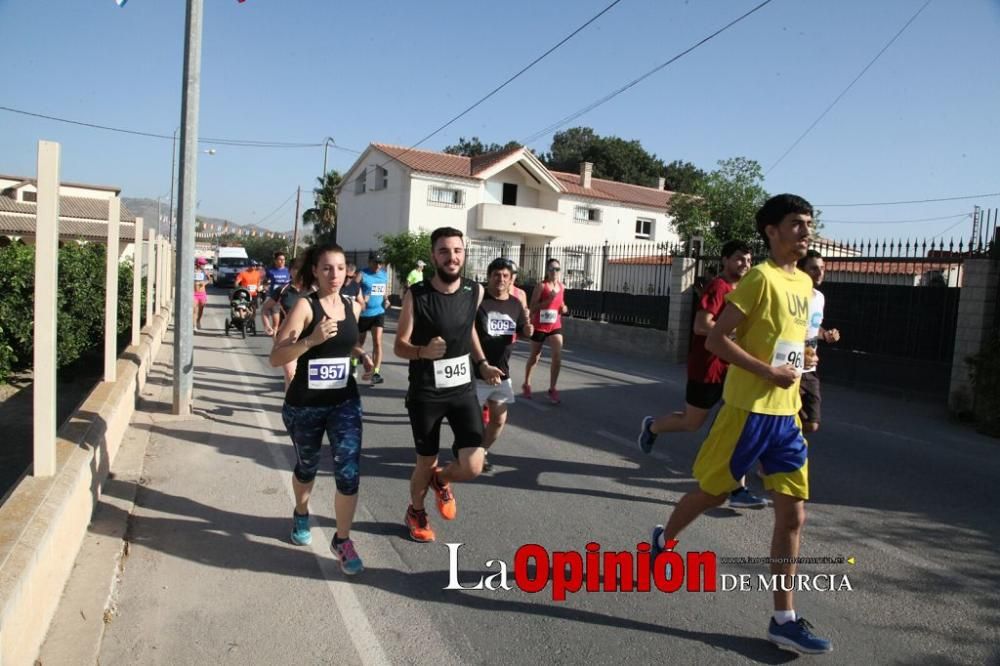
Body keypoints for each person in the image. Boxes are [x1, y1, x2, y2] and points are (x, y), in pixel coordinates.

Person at [648, 194, 831, 655]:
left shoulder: (806, 287)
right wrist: (768, 372)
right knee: (712, 493)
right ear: (771, 231)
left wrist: (803, 358)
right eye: (796, 224)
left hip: (784, 417)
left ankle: (783, 618)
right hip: (746, 413)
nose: (805, 232)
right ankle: (664, 537)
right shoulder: (758, 280)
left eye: (808, 224)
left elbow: (788, 344)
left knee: (793, 513)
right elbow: (717, 340)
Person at [269, 242, 374, 575]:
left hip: (344, 402)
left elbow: (344, 344)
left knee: (349, 472)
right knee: (307, 468)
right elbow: (276, 357)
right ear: (315, 270)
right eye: (327, 268)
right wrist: (310, 341)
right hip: (306, 406)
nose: (335, 274)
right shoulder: (304, 306)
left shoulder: (351, 306)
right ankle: (301, 512)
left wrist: (361, 354)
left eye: (341, 268)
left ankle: (342, 540)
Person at [637, 240, 767, 509]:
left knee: (737, 426)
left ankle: (737, 489)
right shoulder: (718, 287)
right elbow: (700, 325)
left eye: (748, 260)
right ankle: (652, 426)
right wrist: (731, 332)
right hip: (707, 367)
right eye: (739, 259)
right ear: (725, 260)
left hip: (734, 368)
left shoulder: (745, 289)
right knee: (692, 422)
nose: (745, 264)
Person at [393, 227, 502, 542]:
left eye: (457, 250)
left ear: (463, 254)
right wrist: (422, 352)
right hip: (426, 393)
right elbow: (399, 345)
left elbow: (468, 330)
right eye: (444, 251)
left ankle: (442, 480)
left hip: (462, 389)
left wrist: (481, 364)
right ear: (433, 256)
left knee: (472, 465)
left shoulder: (474, 290)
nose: (451, 257)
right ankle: (416, 511)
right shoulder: (417, 295)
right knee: (424, 461)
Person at [474, 257, 533, 472]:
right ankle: (468, 450)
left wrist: (527, 330)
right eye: (496, 275)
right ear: (489, 277)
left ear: (511, 280)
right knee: (471, 420)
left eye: (505, 276)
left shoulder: (516, 304)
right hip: (476, 370)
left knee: (498, 420)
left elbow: (520, 331)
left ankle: (482, 451)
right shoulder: (478, 300)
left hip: (501, 372)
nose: (500, 279)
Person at [797, 250, 841, 434]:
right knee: (786, 418)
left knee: (812, 423)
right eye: (814, 268)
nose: (820, 272)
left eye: (822, 268)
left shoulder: (819, 297)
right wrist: (799, 356)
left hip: (810, 367)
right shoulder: (795, 296)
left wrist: (826, 334)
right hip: (791, 366)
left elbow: (814, 327)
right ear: (801, 270)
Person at [523, 258, 569, 404]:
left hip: (555, 325)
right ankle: (527, 383)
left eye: (557, 269)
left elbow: (562, 304)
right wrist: (547, 301)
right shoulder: (541, 286)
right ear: (547, 271)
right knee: (535, 356)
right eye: (551, 269)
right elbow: (532, 308)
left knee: (557, 355)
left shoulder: (562, 287)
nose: (554, 272)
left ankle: (552, 388)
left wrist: (564, 308)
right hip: (540, 325)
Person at [358, 252, 389, 385]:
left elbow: (383, 290)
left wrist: (386, 299)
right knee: (359, 342)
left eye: (380, 263)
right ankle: (354, 362)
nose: (378, 265)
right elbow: (351, 288)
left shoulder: (384, 275)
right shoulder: (362, 274)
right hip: (363, 314)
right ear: (369, 262)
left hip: (378, 312)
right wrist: (360, 299)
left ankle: (375, 372)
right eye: (376, 262)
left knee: (377, 342)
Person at [263, 251, 292, 334]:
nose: (282, 261)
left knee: (287, 324)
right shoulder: (270, 271)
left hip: (286, 299)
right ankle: (276, 344)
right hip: (275, 299)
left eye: (283, 259)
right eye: (280, 259)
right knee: (276, 324)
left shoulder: (288, 271)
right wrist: (265, 288)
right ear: (275, 261)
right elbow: (265, 282)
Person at [194, 257, 209, 330]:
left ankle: (198, 320)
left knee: (201, 309)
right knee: (194, 309)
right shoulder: (193, 271)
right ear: (198, 264)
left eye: (204, 264)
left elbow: (209, 280)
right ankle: (194, 325)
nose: (204, 265)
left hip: (202, 293)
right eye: (202, 264)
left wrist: (204, 284)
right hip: (194, 293)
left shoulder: (204, 272)